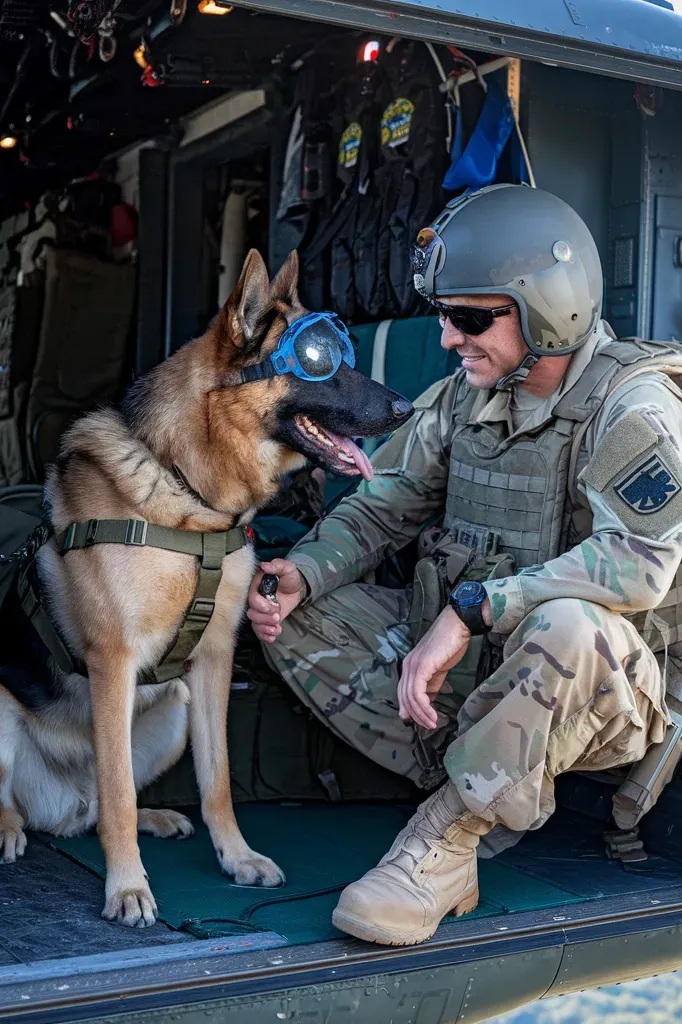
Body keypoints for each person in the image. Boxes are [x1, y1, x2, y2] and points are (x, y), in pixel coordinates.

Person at [247, 183, 682, 947]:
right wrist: (305, 573)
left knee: (569, 624)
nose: (448, 337)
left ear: (549, 311)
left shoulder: (634, 405)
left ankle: (446, 840)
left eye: (471, 318)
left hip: (605, 694)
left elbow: (640, 564)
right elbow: (383, 506)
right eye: (446, 316)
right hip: (483, 673)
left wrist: (474, 606)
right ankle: (472, 771)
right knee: (285, 605)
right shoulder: (464, 400)